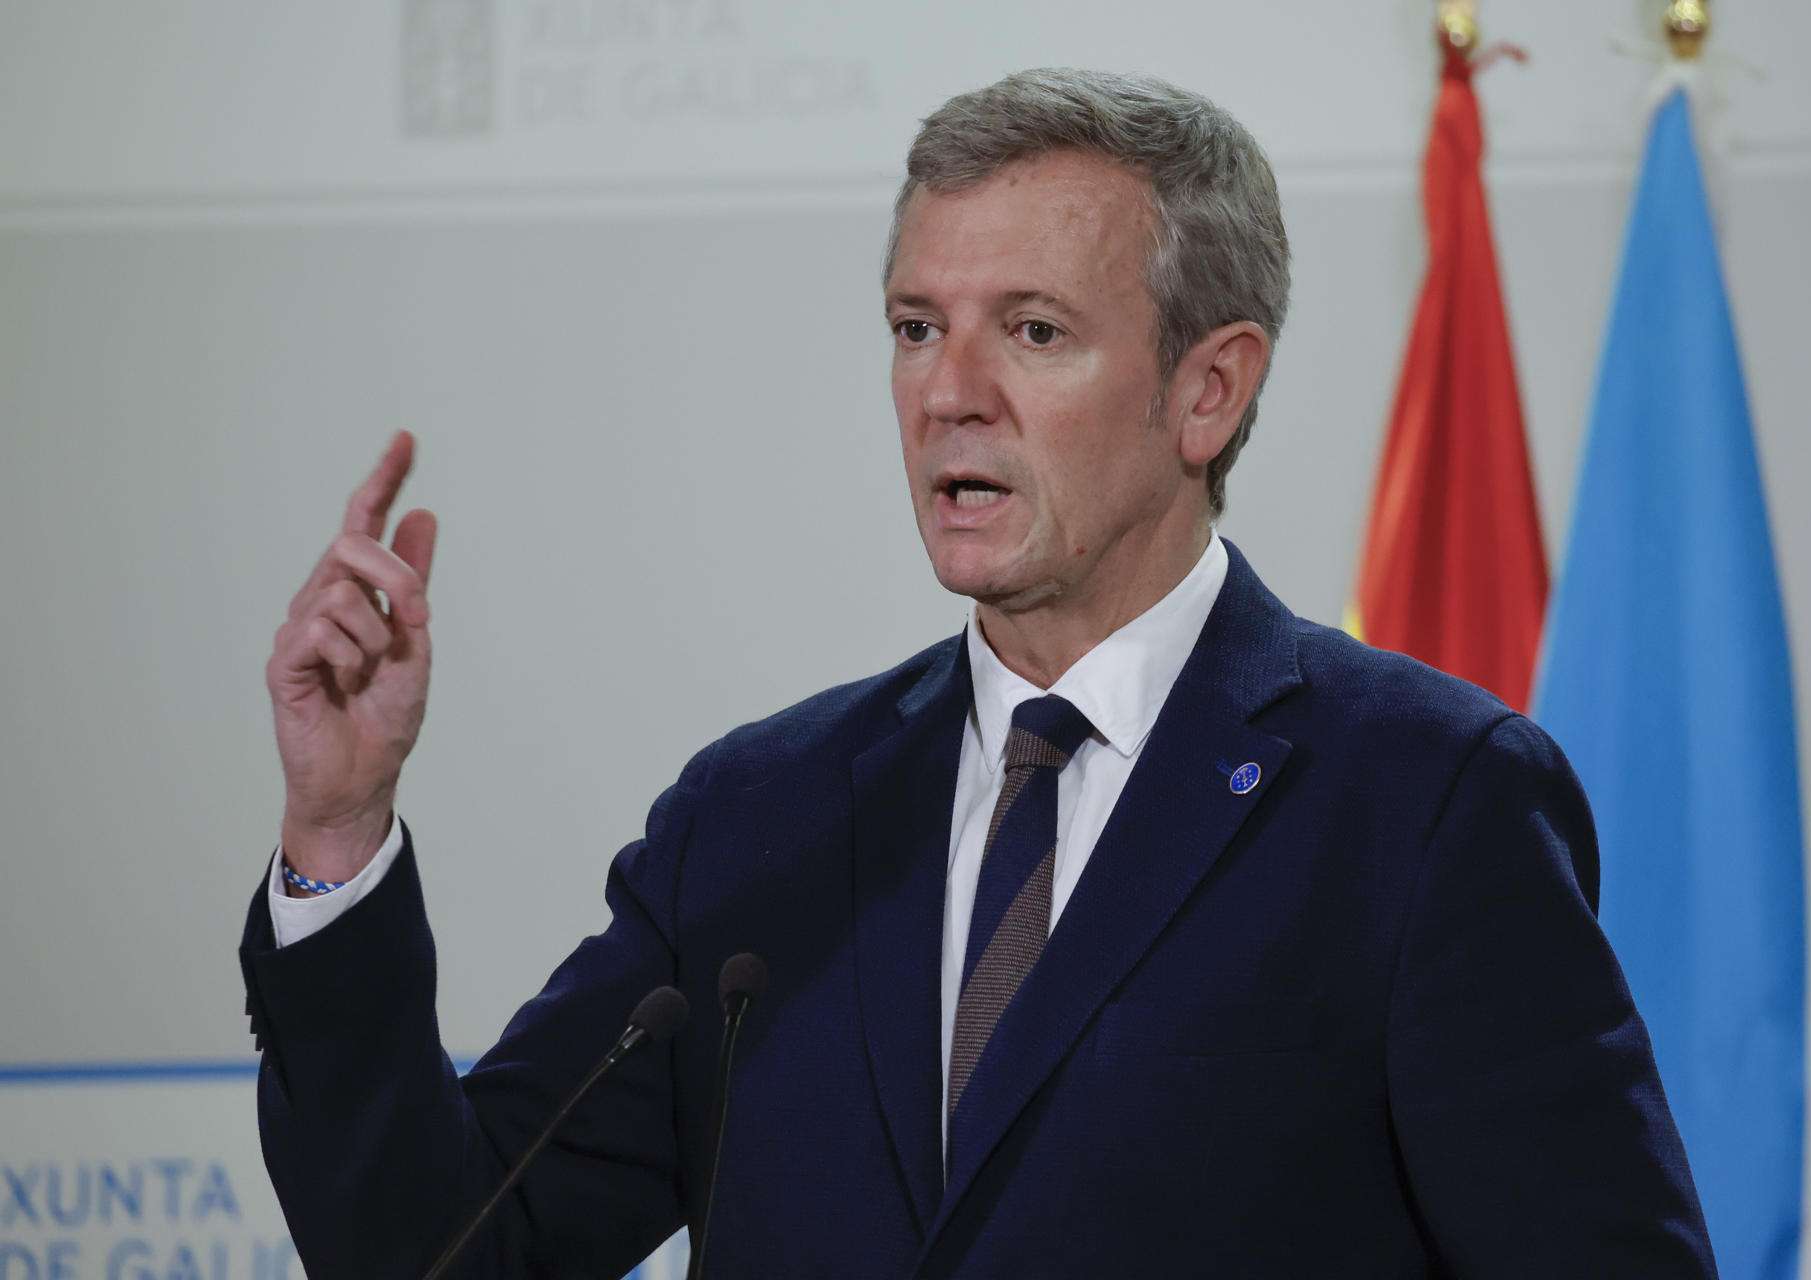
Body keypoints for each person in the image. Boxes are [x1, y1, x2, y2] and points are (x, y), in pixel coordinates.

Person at [239, 68, 1718, 1278]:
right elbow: (435, 1256)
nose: (949, 394)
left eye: (1032, 332)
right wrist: (337, 837)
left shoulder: (1423, 801)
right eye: (914, 329)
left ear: (1210, 388)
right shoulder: (760, 817)